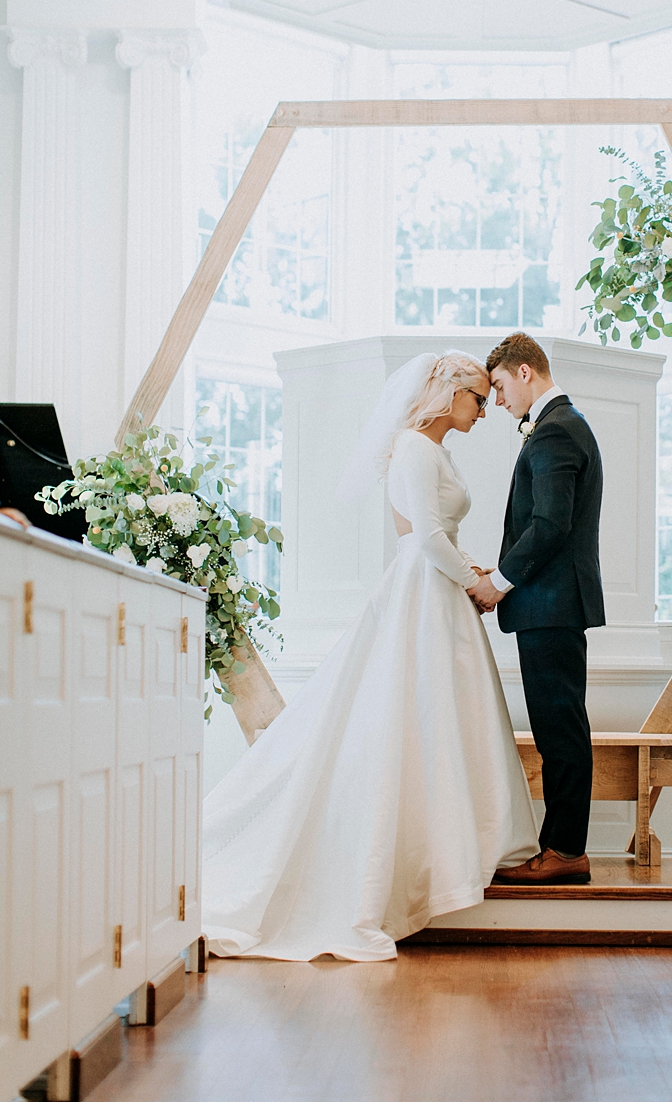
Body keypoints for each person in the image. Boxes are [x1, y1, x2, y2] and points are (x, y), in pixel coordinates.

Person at [201, 352, 537, 962]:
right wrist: (471, 578)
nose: (485, 411)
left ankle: (455, 850)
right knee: (411, 717)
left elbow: (442, 535)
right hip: (425, 587)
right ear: (451, 392)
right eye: (478, 400)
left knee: (444, 719)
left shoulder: (436, 451)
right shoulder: (412, 447)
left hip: (440, 589)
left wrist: (470, 574)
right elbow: (429, 536)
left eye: (490, 402)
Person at [470, 333, 604, 887]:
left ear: (525, 373)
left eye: (500, 387)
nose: (498, 401)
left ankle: (567, 851)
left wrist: (498, 582)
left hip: (550, 606)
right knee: (557, 728)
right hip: (549, 605)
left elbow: (549, 525)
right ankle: (560, 845)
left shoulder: (555, 431)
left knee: (560, 731)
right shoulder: (560, 426)